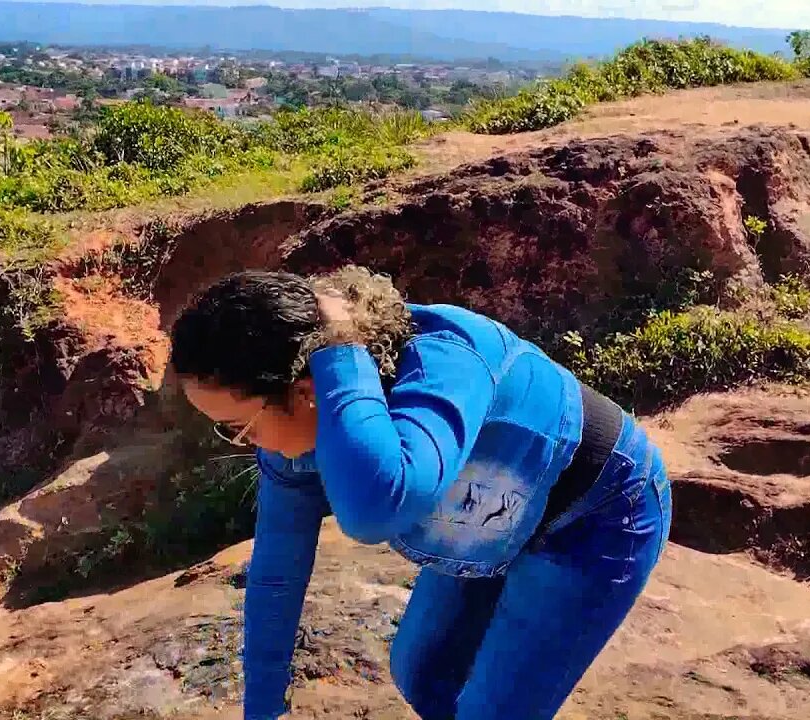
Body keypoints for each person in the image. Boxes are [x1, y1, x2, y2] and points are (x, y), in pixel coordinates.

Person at [169, 266, 672, 720]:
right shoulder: (297, 428)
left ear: (305, 392)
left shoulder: (445, 360)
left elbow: (376, 507)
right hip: (493, 523)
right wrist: (262, 711)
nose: (244, 444)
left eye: (239, 426)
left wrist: (341, 343)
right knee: (423, 675)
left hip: (594, 516)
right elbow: (277, 574)